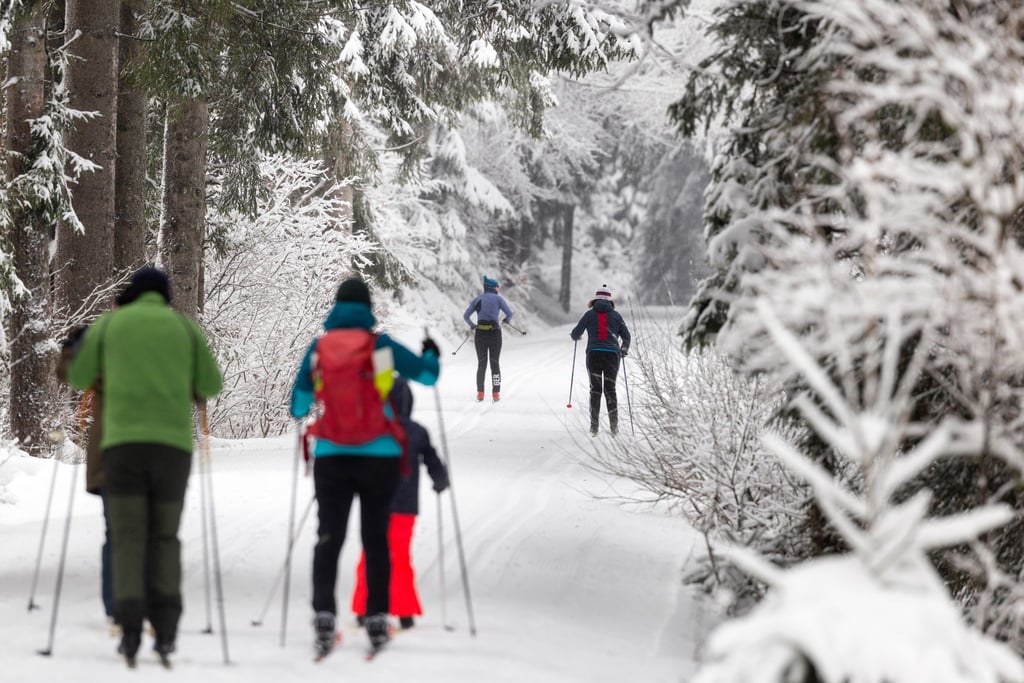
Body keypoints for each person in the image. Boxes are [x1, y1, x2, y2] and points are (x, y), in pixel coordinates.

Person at [66, 266, 223, 666]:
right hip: (171, 450)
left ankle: (130, 629)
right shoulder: (184, 329)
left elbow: (80, 375)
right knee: (164, 537)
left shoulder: (109, 326)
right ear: (166, 296)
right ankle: (166, 631)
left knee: (128, 535)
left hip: (122, 448)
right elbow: (210, 386)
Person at [290, 276, 440, 656]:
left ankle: (324, 614)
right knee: (376, 539)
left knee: (329, 537)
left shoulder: (319, 348)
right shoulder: (379, 347)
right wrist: (431, 352)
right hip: (380, 457)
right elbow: (425, 376)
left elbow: (298, 406)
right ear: (367, 308)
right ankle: (377, 617)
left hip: (332, 456)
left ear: (336, 309)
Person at [350, 377, 449, 630]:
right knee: (400, 558)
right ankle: (404, 612)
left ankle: (363, 609)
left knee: (370, 555)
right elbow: (432, 460)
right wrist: (440, 480)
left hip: (374, 503)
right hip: (405, 507)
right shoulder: (417, 431)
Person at [569, 285, 631, 436]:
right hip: (612, 356)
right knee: (610, 389)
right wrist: (623, 349)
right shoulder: (616, 316)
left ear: (595, 299)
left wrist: (576, 336)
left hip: (594, 354)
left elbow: (576, 333)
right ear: (610, 300)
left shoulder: (589, 315)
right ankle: (614, 427)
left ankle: (594, 427)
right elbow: (627, 336)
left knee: (595, 390)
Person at [462, 275, 514, 402]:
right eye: (497, 287)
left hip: (480, 334)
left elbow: (466, 316)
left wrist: (473, 325)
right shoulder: (498, 299)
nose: (498, 289)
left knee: (482, 364)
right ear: (493, 288)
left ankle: (480, 394)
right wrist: (506, 320)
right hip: (495, 334)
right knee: (495, 363)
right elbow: (509, 313)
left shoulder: (478, 299)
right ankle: (496, 394)